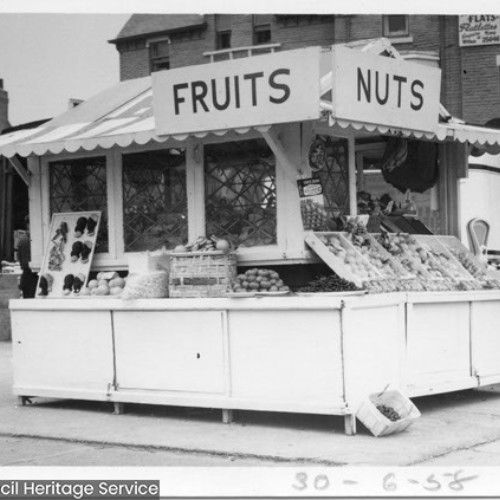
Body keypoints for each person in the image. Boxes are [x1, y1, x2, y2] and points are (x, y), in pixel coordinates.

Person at [17, 217, 38, 299]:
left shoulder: (25, 239)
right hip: (31, 277)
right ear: (29, 225)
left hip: (29, 277)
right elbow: (26, 263)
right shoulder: (26, 240)